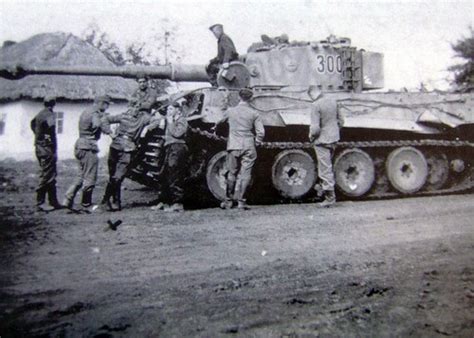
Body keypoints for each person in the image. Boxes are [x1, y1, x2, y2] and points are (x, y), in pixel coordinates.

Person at [100, 103, 162, 211]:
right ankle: (110, 201)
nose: (133, 109)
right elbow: (105, 120)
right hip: (116, 146)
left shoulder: (143, 118)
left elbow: (156, 121)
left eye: (136, 107)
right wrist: (109, 132)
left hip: (127, 148)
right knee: (113, 175)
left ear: (140, 109)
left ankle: (110, 201)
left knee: (118, 176)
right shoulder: (124, 116)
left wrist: (147, 128)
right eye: (132, 107)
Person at [216, 88, 265, 210]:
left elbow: (219, 121)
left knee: (232, 172)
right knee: (246, 174)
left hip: (234, 145)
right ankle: (241, 202)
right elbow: (261, 132)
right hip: (248, 145)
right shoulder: (254, 113)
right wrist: (257, 141)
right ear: (251, 99)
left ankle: (228, 201)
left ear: (239, 97)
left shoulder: (231, 111)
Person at [62, 95, 112, 211]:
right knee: (90, 176)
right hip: (89, 147)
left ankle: (67, 199)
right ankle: (86, 204)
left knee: (80, 176)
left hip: (80, 144)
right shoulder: (95, 113)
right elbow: (96, 124)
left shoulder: (86, 111)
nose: (107, 107)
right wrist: (104, 125)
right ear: (101, 103)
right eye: (107, 104)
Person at [151, 101, 188, 212]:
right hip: (169, 147)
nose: (168, 111)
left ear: (178, 110)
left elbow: (177, 134)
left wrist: (171, 122)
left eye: (171, 109)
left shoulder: (182, 120)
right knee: (164, 174)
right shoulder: (170, 120)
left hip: (178, 147)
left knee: (174, 174)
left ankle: (177, 203)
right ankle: (164, 201)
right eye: (168, 109)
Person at [30, 96, 62, 212]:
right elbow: (51, 130)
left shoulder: (40, 114)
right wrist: (50, 143)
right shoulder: (49, 114)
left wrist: (39, 136)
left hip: (39, 147)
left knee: (50, 174)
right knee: (47, 175)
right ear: (54, 103)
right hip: (47, 149)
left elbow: (32, 124)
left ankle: (53, 201)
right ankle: (40, 202)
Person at [308, 92, 340, 207]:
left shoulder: (316, 105)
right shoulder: (334, 101)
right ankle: (323, 190)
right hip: (334, 138)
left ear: (312, 94)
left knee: (324, 168)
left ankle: (330, 198)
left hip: (322, 140)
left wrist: (311, 137)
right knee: (328, 166)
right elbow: (341, 121)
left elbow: (315, 128)